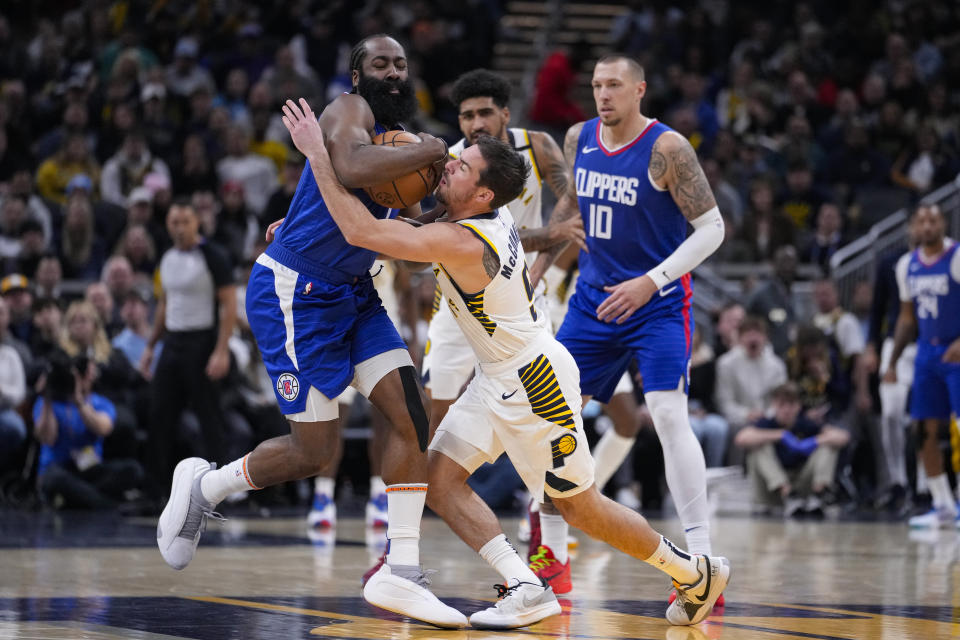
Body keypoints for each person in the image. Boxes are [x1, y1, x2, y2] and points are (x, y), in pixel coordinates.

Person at [281, 96, 729, 629]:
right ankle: (524, 586)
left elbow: (367, 233)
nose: (448, 164)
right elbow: (389, 229)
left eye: (462, 165)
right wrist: (297, 241)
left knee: (579, 506)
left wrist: (316, 156)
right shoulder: (467, 216)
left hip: (534, 380)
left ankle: (691, 570)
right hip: (498, 376)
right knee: (439, 480)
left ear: (484, 193)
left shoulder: (465, 239)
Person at [154, 35, 464, 629]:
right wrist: (431, 149)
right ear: (356, 75)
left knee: (412, 413)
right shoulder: (347, 113)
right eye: (381, 64)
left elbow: (396, 223)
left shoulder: (405, 140)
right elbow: (347, 166)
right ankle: (205, 488)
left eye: (401, 64)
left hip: (354, 292)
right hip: (296, 295)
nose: (394, 72)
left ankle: (402, 571)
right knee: (312, 452)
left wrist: (434, 216)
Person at [528, 54, 726, 587]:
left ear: (640, 89)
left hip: (656, 303)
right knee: (550, 418)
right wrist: (538, 269)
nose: (603, 94)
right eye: (596, 85)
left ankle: (704, 557)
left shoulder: (668, 149)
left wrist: (651, 281)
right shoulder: (578, 138)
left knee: (665, 415)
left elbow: (712, 229)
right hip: (593, 303)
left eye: (614, 84)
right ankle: (550, 553)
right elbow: (569, 209)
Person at [885, 203, 960, 528]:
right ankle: (942, 503)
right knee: (922, 431)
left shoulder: (956, 257)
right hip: (926, 356)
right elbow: (906, 318)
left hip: (956, 352)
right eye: (921, 221)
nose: (927, 226)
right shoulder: (907, 265)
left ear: (943, 223)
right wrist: (892, 361)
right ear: (914, 227)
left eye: (933, 220)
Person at [734, 382, 850, 517]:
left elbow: (843, 437)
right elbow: (741, 439)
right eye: (782, 404)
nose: (787, 409)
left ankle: (820, 493)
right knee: (758, 447)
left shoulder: (806, 423)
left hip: (801, 486)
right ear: (774, 404)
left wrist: (815, 441)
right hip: (772, 492)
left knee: (828, 446)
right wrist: (780, 435)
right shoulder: (766, 423)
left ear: (799, 406)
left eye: (791, 404)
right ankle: (786, 492)